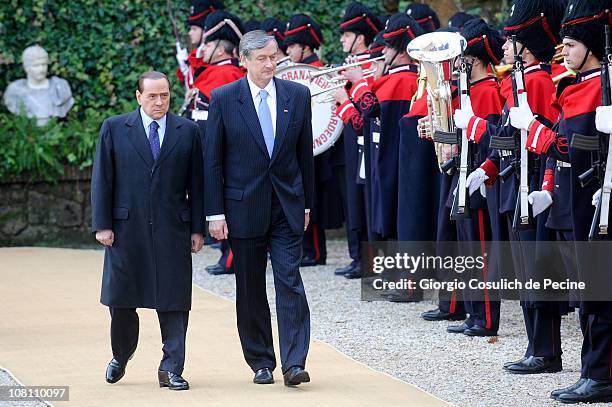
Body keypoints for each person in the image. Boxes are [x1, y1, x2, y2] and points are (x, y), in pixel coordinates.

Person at [509, 0, 612, 401]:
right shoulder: (576, 86)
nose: (563, 51)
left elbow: (571, 149)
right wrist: (549, 187)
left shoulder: (601, 85)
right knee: (588, 293)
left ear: (590, 46)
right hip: (574, 202)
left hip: (596, 203)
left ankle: (601, 374)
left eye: (570, 44)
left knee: (599, 293)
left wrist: (533, 130)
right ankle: (592, 369)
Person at [204, 30, 314, 387]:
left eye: (274, 57)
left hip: (286, 206)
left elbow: (304, 157)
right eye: (262, 58)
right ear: (244, 60)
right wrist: (214, 213)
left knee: (290, 281)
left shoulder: (297, 96)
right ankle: (261, 361)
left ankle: (294, 361)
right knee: (250, 287)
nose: (270, 64)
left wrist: (307, 204)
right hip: (243, 207)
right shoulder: (223, 98)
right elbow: (213, 161)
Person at [91, 71, 204, 390]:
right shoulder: (114, 128)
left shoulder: (188, 131)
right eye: (152, 96)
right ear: (138, 96)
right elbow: (103, 178)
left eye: (164, 95)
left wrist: (198, 229)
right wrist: (103, 224)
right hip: (126, 230)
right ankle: (121, 355)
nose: (159, 102)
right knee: (122, 300)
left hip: (173, 229)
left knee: (175, 300)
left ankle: (171, 368)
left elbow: (197, 184)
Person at [333, 1, 383, 278]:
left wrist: (344, 101)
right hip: (352, 139)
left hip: (365, 137)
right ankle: (357, 256)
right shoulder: (355, 66)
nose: (342, 39)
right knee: (354, 198)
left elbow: (368, 108)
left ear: (360, 38)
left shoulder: (369, 66)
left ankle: (368, 259)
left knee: (365, 199)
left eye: (346, 34)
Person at [284, 13, 335, 267]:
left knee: (309, 197)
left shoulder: (316, 72)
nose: (289, 50)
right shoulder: (297, 72)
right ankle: (307, 248)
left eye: (292, 46)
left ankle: (314, 250)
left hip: (315, 145)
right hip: (303, 143)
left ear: (305, 46)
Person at [3, 45, 74, 126]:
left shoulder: (59, 87)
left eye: (44, 64)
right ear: (26, 67)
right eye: (36, 65)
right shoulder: (15, 90)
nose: (41, 69)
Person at [175, 0, 224, 89]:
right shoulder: (196, 54)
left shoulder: (212, 56)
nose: (190, 33)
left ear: (205, 30)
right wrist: (185, 70)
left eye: (194, 29)